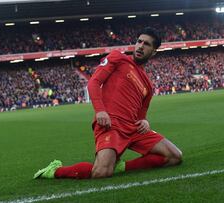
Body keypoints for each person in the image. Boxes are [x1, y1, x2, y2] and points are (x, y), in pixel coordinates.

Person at [33, 27, 182, 180]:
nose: (141, 46)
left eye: (147, 44)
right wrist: (100, 111)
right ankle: (55, 170)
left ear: (154, 51)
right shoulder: (118, 57)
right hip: (111, 123)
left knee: (174, 156)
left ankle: (122, 166)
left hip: (133, 128)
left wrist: (144, 120)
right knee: (101, 172)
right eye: (139, 41)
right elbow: (94, 83)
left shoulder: (148, 86)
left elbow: (141, 114)